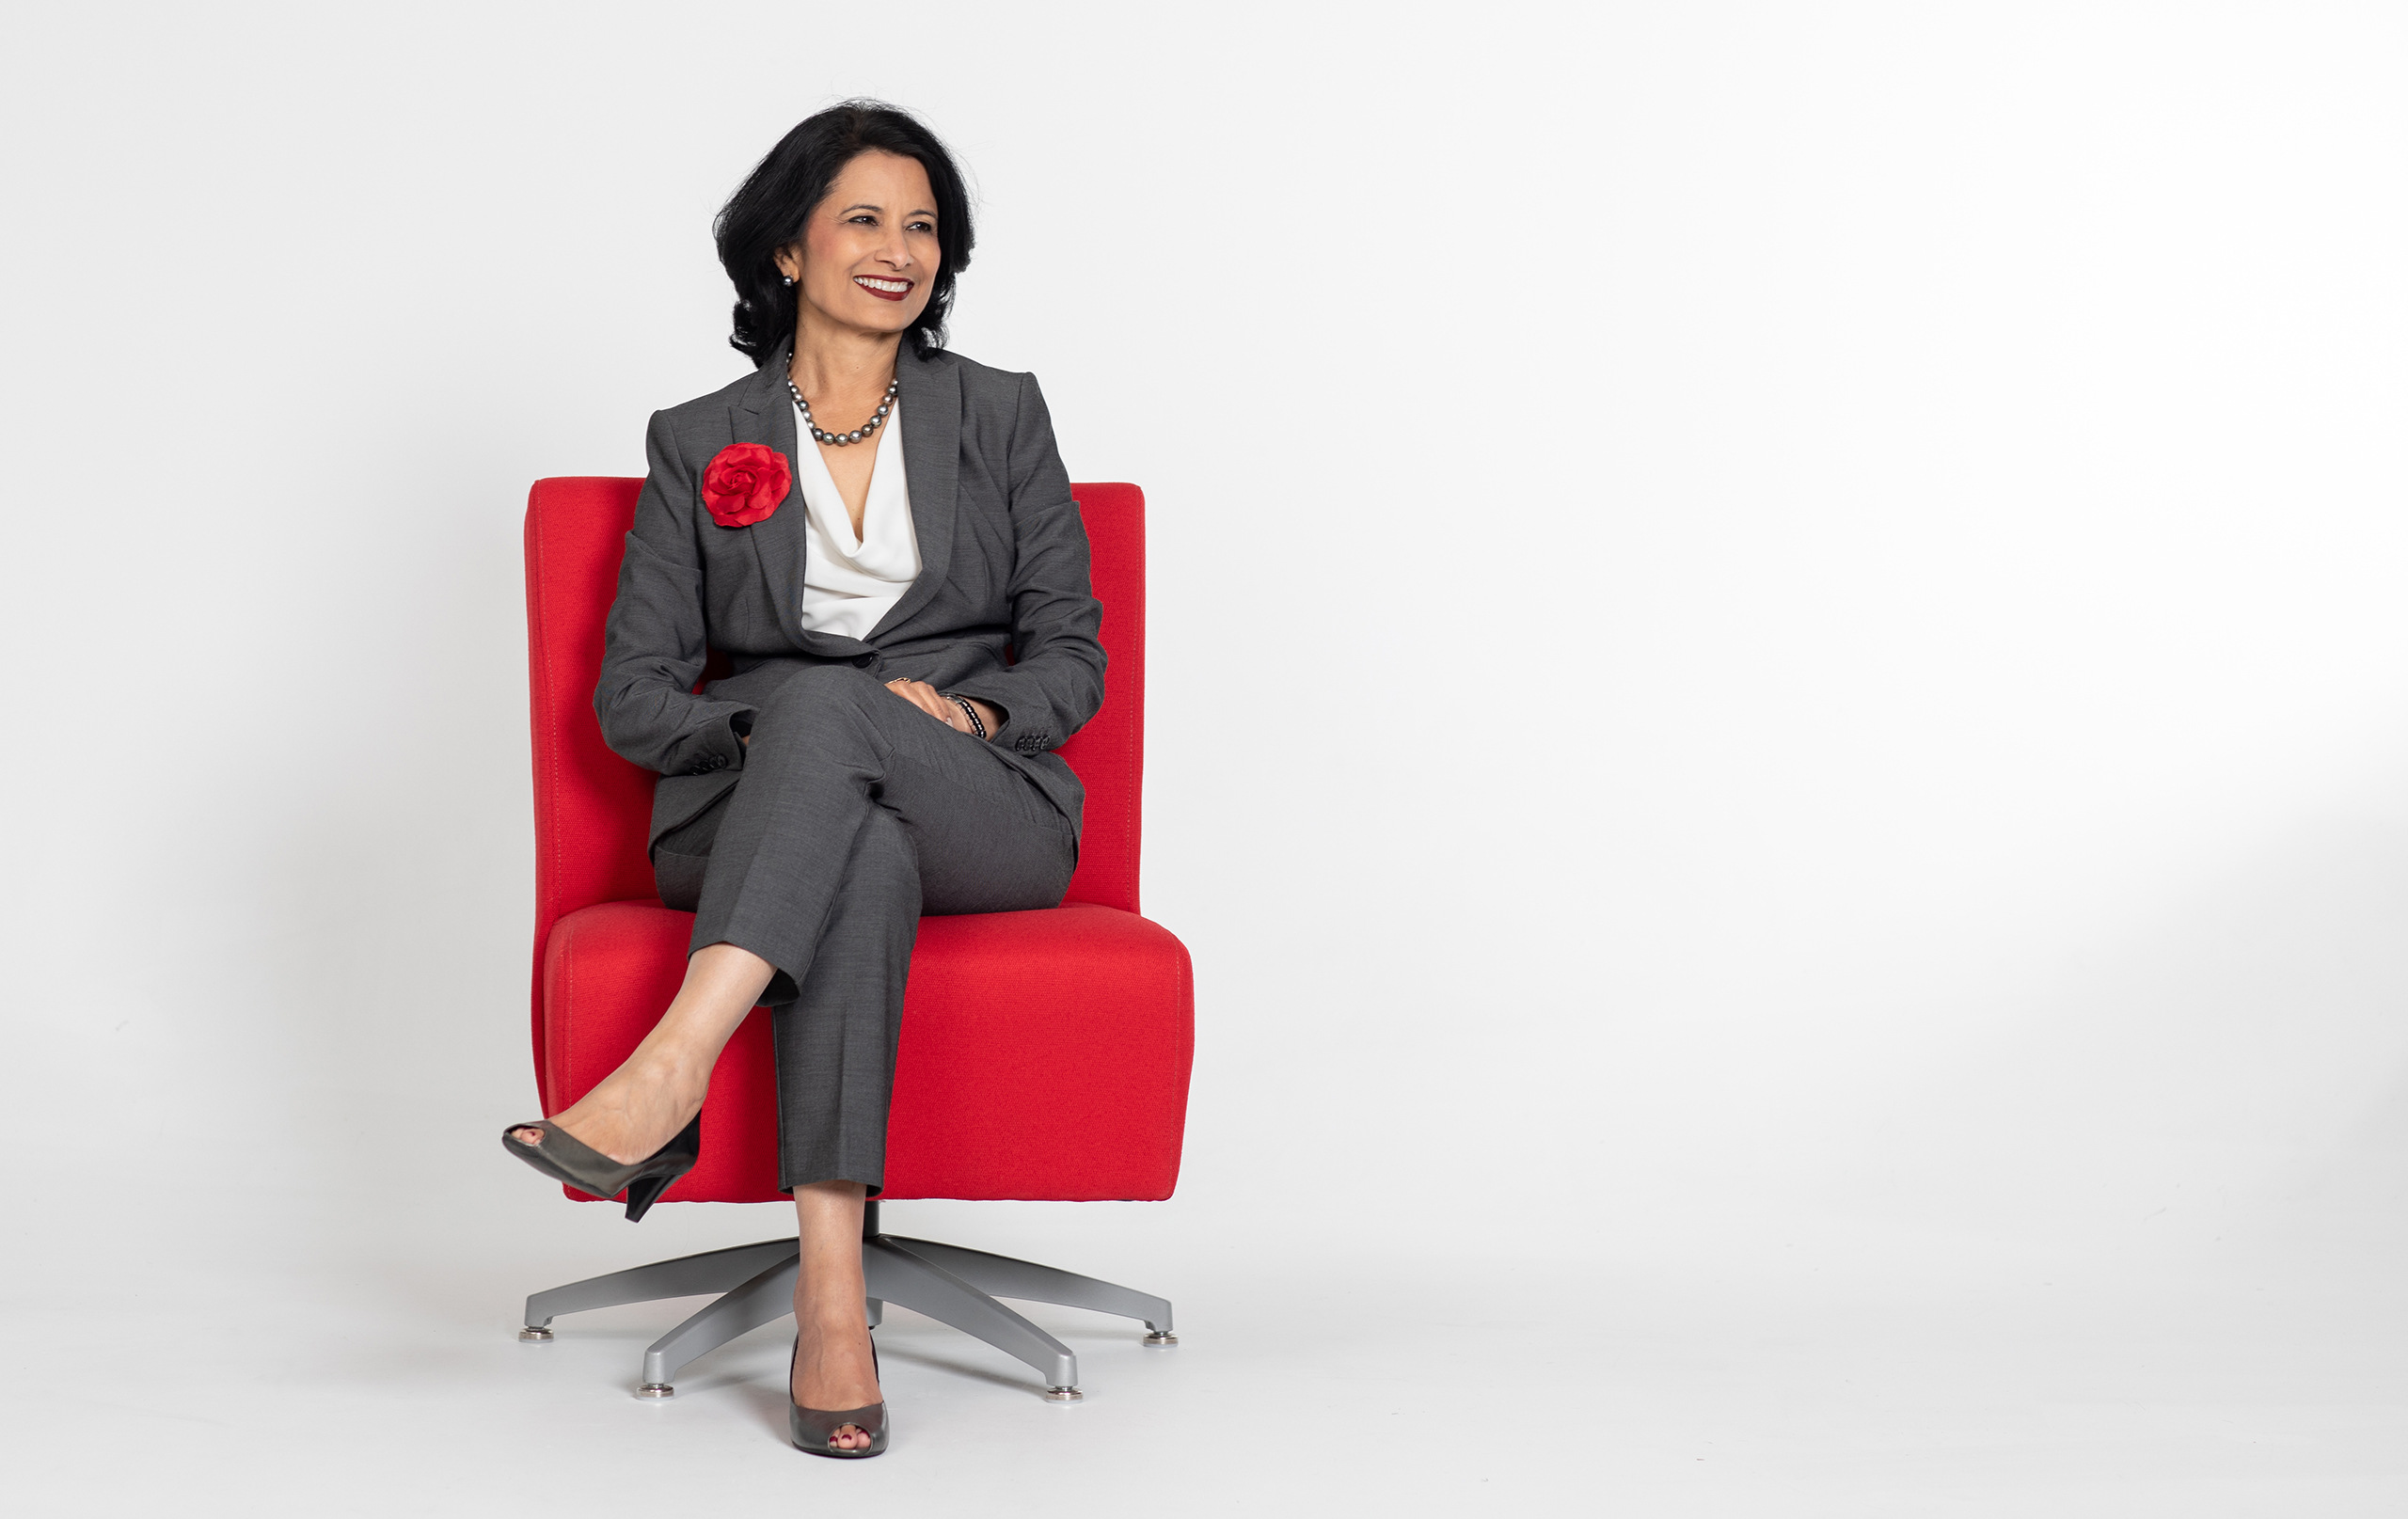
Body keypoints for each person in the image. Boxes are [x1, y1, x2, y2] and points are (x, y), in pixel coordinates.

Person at [500, 101, 1104, 1459]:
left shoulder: (998, 415)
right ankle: (833, 1299)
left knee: (857, 746)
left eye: (923, 226)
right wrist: (772, 735)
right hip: (760, 808)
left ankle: (668, 1070)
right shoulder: (695, 435)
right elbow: (635, 700)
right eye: (864, 219)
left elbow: (1073, 652)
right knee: (848, 816)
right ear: (787, 247)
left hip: (981, 803)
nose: (899, 250)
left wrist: (970, 706)